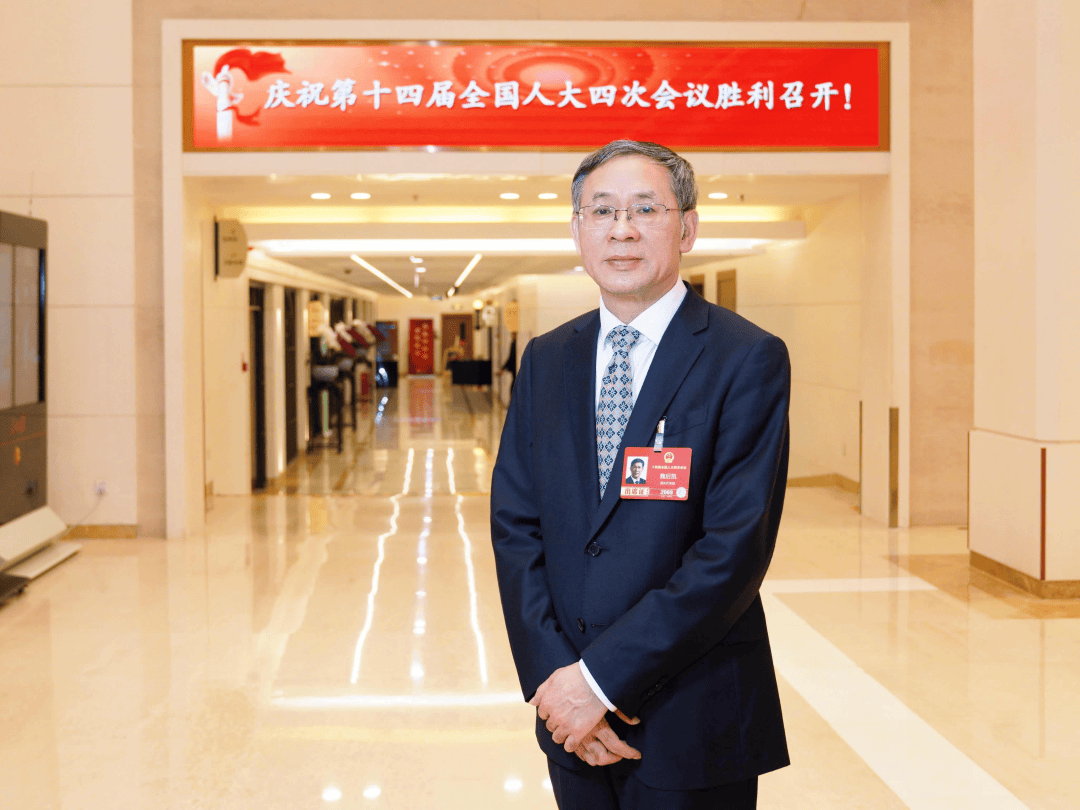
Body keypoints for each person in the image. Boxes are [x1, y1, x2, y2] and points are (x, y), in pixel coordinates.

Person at [490, 140, 791, 809]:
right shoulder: (547, 358)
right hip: (570, 719)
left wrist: (599, 682)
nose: (621, 230)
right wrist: (556, 681)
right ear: (577, 230)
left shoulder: (746, 358)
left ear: (687, 227)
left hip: (693, 714)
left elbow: (732, 551)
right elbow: (516, 526)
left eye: (645, 209)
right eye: (601, 211)